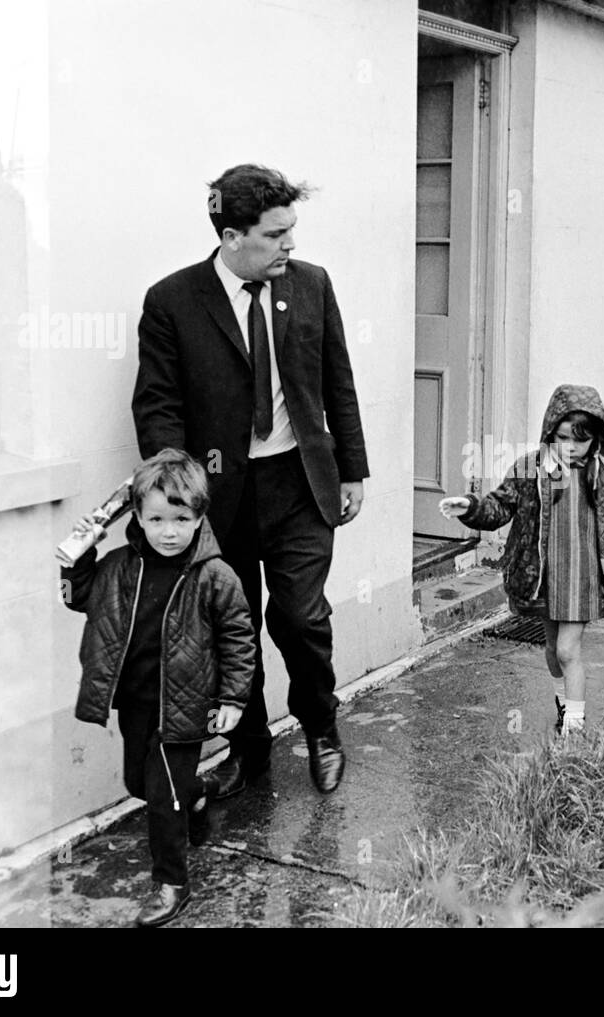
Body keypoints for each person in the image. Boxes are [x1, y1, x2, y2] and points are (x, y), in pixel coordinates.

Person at [132, 164, 369, 796]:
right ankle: (249, 748)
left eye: (293, 230)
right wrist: (175, 498)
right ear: (233, 237)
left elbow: (336, 381)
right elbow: (158, 405)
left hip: (300, 483)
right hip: (219, 496)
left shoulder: (312, 285)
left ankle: (321, 727)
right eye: (276, 234)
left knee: (299, 618)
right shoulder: (172, 302)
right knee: (227, 626)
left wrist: (353, 470)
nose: (291, 245)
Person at [61, 449, 255, 927]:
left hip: (185, 708)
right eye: (157, 519)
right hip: (136, 702)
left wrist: (232, 699)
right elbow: (79, 598)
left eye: (181, 518)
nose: (169, 531)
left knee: (163, 799)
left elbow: (239, 637)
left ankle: (172, 882)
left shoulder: (215, 575)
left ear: (199, 516)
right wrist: (78, 555)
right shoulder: (121, 567)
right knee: (138, 784)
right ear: (139, 518)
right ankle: (197, 794)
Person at [440, 385, 604, 735]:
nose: (571, 447)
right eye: (563, 438)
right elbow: (501, 505)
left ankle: (574, 730)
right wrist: (471, 508)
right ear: (550, 432)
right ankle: (563, 701)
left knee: (569, 651)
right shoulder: (532, 468)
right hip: (546, 577)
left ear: (597, 437)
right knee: (554, 649)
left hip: (583, 580)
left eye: (580, 440)